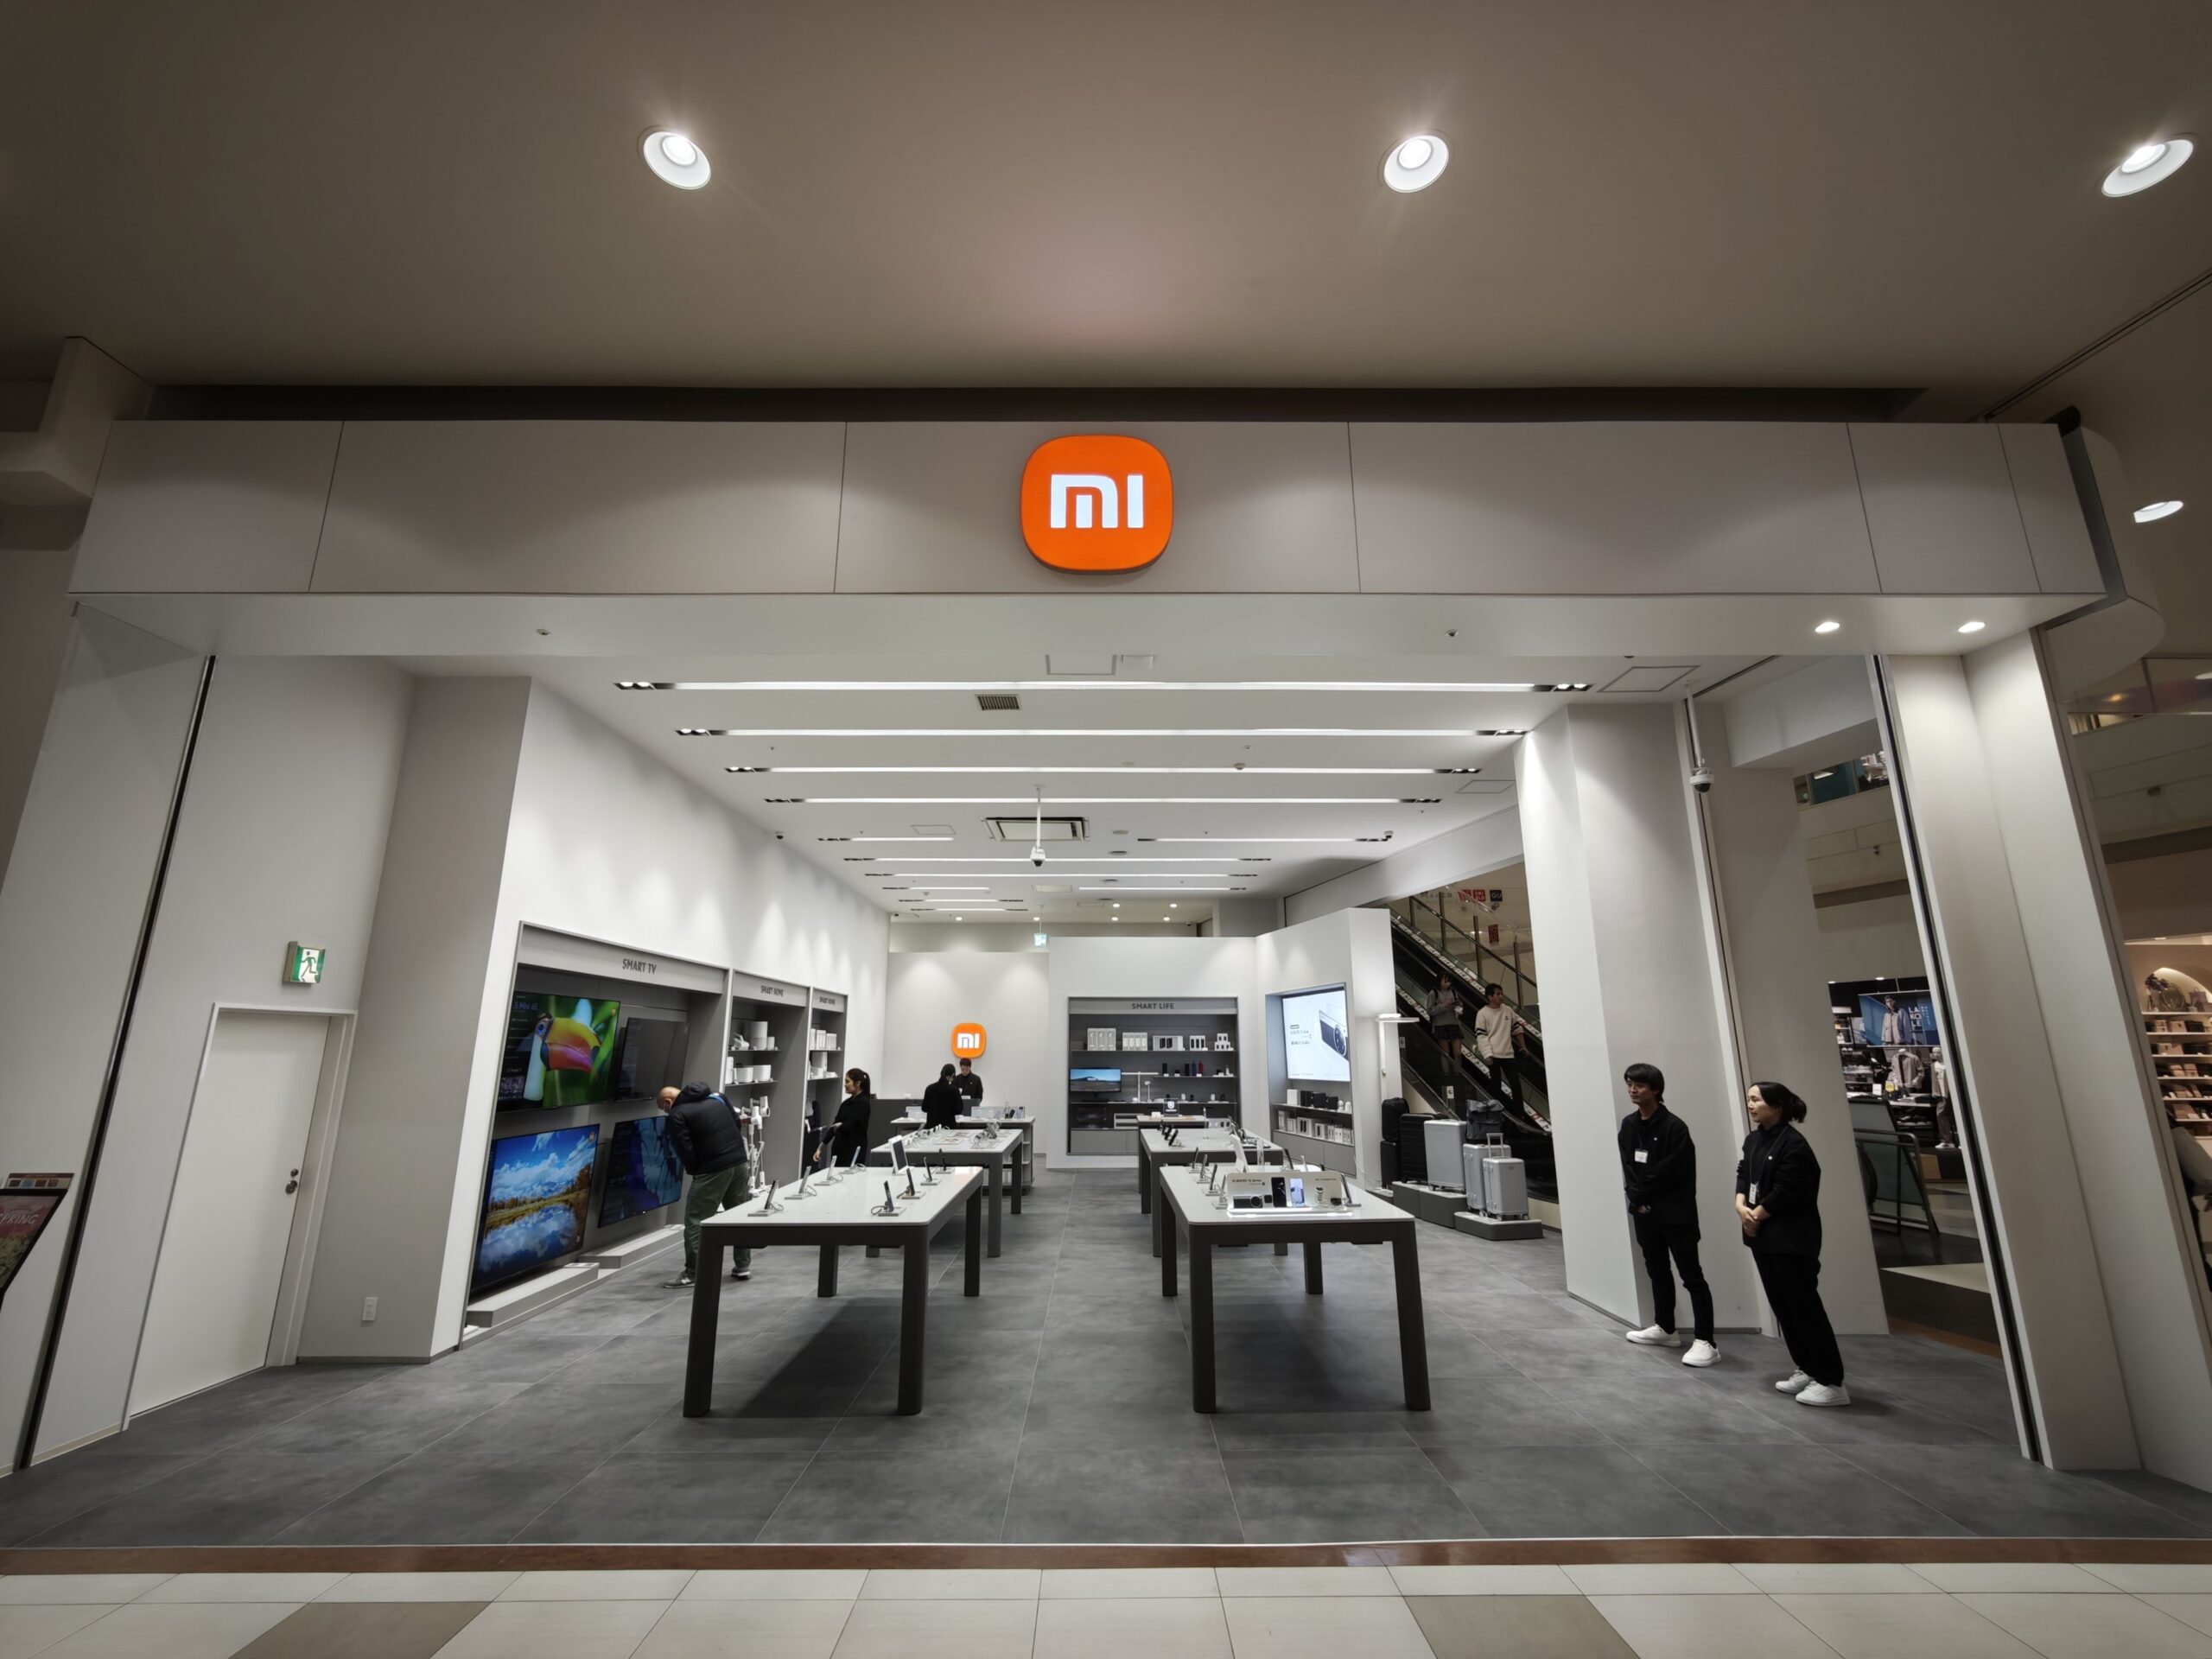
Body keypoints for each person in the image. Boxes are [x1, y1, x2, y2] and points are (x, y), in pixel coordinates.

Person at [1738, 1079, 1849, 1407]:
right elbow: (1744, 1174)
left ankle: (1831, 1381)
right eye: (1749, 1099)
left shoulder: (1794, 1144)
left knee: (1804, 1308)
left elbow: (1788, 1190)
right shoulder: (1754, 1139)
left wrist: (1756, 1215)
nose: (1751, 1105)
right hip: (1763, 1237)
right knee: (1784, 1308)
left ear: (1777, 1106)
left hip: (1791, 1240)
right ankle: (1807, 1367)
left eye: (1757, 1100)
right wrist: (1740, 1206)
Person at [1617, 1063, 1718, 1367]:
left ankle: (1706, 1341)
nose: (1633, 1090)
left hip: (1674, 1213)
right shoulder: (1629, 1125)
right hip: (1644, 1212)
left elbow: (1672, 1170)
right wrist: (1637, 1197)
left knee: (1692, 1276)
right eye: (1630, 1084)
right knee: (1657, 1270)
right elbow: (1629, 1165)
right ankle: (1665, 1327)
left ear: (1656, 1090)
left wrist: (1641, 1194)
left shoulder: (1675, 1127)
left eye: (1639, 1085)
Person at [658, 1082, 751, 1289]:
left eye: (662, 1108)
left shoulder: (677, 1114)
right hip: (739, 1161)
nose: (665, 1112)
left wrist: (697, 1170)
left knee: (696, 1219)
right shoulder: (717, 1097)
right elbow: (737, 1124)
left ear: (668, 1103)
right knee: (740, 1213)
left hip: (712, 1168)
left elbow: (684, 1148)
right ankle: (743, 1265)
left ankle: (695, 1272)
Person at [1472, 984, 1527, 1107]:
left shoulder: (1508, 1010)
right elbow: (1481, 1036)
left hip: (1508, 1053)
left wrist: (1523, 1046)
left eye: (1502, 993)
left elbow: (1517, 1029)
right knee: (1496, 1085)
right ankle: (1498, 1112)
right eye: (1498, 994)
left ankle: (1519, 1113)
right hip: (1493, 1054)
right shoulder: (1482, 1013)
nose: (1501, 996)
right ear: (1490, 997)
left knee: (1516, 1084)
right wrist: (1487, 1055)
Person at [816, 1067, 875, 1169]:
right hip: (839, 1154)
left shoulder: (864, 1103)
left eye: (847, 1082)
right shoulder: (845, 1104)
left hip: (853, 1154)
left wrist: (840, 1126)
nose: (845, 1085)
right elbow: (834, 1126)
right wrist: (821, 1147)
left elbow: (849, 1126)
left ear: (858, 1083)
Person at [1428, 975, 1465, 1077]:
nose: (1448, 984)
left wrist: (1458, 1007)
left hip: (1454, 1023)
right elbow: (1430, 1010)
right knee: (1445, 1052)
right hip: (1440, 1025)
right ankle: (1447, 1076)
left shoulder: (1453, 991)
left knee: (1458, 1052)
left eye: (1449, 981)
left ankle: (1458, 1074)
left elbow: (1460, 1007)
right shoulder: (1433, 993)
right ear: (1439, 981)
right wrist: (1445, 1005)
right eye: (1445, 981)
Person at [923, 1063, 963, 1130]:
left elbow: (924, 1108)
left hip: (931, 1128)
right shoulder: (954, 1090)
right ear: (953, 1075)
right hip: (948, 1127)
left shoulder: (929, 1088)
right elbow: (958, 1110)